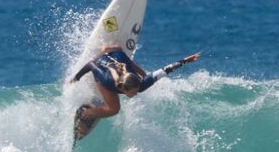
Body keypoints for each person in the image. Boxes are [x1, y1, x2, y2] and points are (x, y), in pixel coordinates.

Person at [69, 44, 200, 130]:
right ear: (123, 89)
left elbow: (164, 70)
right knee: (114, 109)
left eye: (136, 90)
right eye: (133, 92)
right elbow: (91, 64)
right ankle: (85, 113)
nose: (136, 93)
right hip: (102, 63)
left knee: (139, 70)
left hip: (118, 55)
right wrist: (76, 78)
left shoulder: (140, 85)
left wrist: (186, 60)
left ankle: (108, 48)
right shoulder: (107, 80)